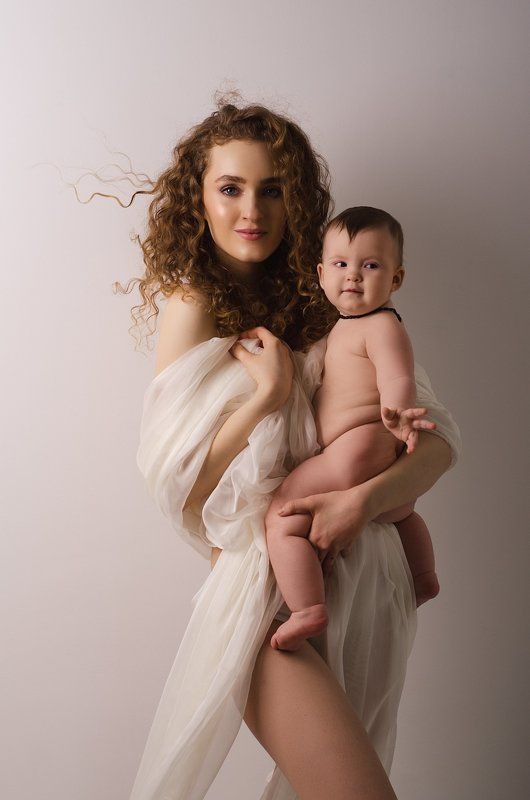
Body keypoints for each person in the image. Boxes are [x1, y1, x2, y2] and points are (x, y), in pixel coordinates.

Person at [127, 98, 461, 800]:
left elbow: (434, 446)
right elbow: (179, 487)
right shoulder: (194, 307)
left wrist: (360, 504)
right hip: (265, 598)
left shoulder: (337, 294)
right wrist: (269, 394)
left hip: (366, 589)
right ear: (198, 199)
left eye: (273, 189)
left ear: (297, 199)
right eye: (230, 188)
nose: (252, 210)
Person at [264, 206, 441, 653]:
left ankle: (306, 609)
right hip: (371, 455)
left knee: (282, 515)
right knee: (401, 514)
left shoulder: (382, 325)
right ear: (322, 274)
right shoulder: (348, 325)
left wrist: (399, 411)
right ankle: (423, 577)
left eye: (371, 265)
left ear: (396, 279)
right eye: (341, 264)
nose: (354, 276)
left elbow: (397, 375)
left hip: (353, 449)